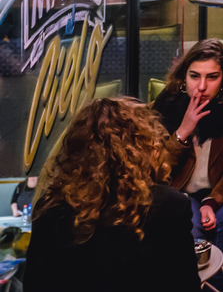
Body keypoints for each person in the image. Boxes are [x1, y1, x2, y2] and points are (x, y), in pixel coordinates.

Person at [24, 97, 201, 292]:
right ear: (144, 146)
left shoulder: (49, 207)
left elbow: (33, 285)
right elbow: (187, 285)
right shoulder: (169, 205)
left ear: (76, 150)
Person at [152, 39, 223, 286]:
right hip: (181, 194)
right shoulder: (164, 107)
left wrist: (212, 201)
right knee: (189, 230)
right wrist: (183, 132)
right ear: (183, 77)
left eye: (212, 77)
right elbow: (156, 169)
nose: (202, 86)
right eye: (194, 76)